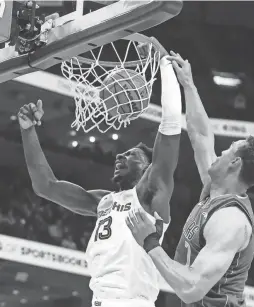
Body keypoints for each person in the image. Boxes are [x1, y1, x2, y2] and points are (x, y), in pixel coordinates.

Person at [18, 54, 182, 307]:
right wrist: (28, 130)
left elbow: (171, 126)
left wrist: (165, 66)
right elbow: (45, 186)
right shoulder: (102, 200)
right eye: (123, 152)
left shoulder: (151, 195)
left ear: (148, 168)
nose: (120, 155)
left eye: (131, 155)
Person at [126, 52, 254, 307]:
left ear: (235, 163)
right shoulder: (216, 189)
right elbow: (201, 135)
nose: (220, 152)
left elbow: (192, 289)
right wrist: (189, 85)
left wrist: (150, 242)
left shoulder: (231, 221)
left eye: (228, 150)